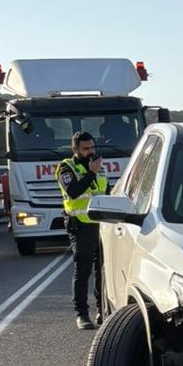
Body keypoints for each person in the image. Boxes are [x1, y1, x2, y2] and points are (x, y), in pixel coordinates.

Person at [56, 131, 108, 331]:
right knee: (83, 270)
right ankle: (82, 314)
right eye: (85, 149)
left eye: (92, 147)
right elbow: (74, 192)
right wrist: (91, 173)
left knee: (102, 270)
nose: (90, 152)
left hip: (102, 224)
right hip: (80, 225)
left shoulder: (99, 167)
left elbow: (107, 193)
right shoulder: (66, 167)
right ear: (75, 149)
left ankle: (102, 310)